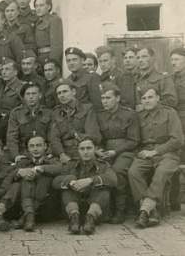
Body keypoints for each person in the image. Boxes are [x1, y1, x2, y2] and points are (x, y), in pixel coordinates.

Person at [128, 88, 184, 228]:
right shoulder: (139, 116)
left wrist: (156, 151)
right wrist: (143, 153)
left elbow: (177, 140)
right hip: (145, 153)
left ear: (158, 97)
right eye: (144, 98)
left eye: (150, 97)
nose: (147, 101)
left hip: (168, 153)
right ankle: (151, 211)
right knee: (133, 172)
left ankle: (144, 210)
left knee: (162, 172)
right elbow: (136, 140)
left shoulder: (170, 113)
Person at [52, 137, 117, 235]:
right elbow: (55, 181)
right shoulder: (71, 164)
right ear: (78, 150)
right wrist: (71, 182)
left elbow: (113, 180)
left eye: (89, 148)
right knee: (67, 188)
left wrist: (90, 180)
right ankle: (74, 219)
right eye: (82, 149)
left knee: (103, 188)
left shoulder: (103, 165)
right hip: (74, 208)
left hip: (96, 209)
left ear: (95, 149)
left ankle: (90, 220)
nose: (85, 152)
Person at [95, 82, 139, 224]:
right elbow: (98, 137)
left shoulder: (130, 114)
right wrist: (99, 149)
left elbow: (134, 140)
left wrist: (115, 151)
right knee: (100, 171)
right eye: (102, 98)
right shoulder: (99, 115)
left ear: (118, 98)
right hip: (106, 151)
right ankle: (106, 209)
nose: (104, 101)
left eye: (108, 98)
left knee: (117, 171)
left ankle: (120, 210)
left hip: (126, 151)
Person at [14, 135, 62, 231]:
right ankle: (29, 217)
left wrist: (40, 169)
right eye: (32, 146)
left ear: (45, 146)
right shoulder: (23, 162)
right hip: (25, 202)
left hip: (46, 207)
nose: (35, 149)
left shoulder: (52, 160)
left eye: (38, 145)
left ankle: (26, 216)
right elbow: (11, 173)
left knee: (44, 177)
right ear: (28, 149)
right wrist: (20, 173)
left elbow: (59, 168)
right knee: (27, 178)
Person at [49, 79, 101, 163]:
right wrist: (61, 154)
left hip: (83, 151)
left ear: (73, 92)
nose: (62, 95)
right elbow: (54, 138)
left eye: (65, 91)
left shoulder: (87, 109)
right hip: (64, 153)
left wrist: (76, 135)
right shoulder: (56, 113)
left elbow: (93, 135)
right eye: (59, 93)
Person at [6, 82, 52, 162]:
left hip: (45, 154)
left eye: (34, 93)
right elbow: (12, 137)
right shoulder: (16, 113)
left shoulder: (48, 113)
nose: (31, 97)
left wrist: (49, 153)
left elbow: (53, 136)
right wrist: (16, 155)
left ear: (40, 95)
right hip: (23, 154)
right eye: (28, 94)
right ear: (23, 97)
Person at [96, 45, 136, 110]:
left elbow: (128, 103)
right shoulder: (101, 78)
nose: (102, 64)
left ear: (113, 60)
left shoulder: (123, 76)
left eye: (105, 61)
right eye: (100, 61)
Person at [34, 0, 63, 64]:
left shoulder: (54, 20)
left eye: (41, 5)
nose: (38, 8)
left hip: (49, 58)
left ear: (49, 7)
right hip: (40, 58)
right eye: (36, 6)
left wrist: (52, 62)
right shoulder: (38, 23)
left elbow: (56, 45)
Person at [170, 47, 185, 153]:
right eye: (172, 60)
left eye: (177, 59)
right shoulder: (170, 78)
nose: (173, 63)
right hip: (174, 117)